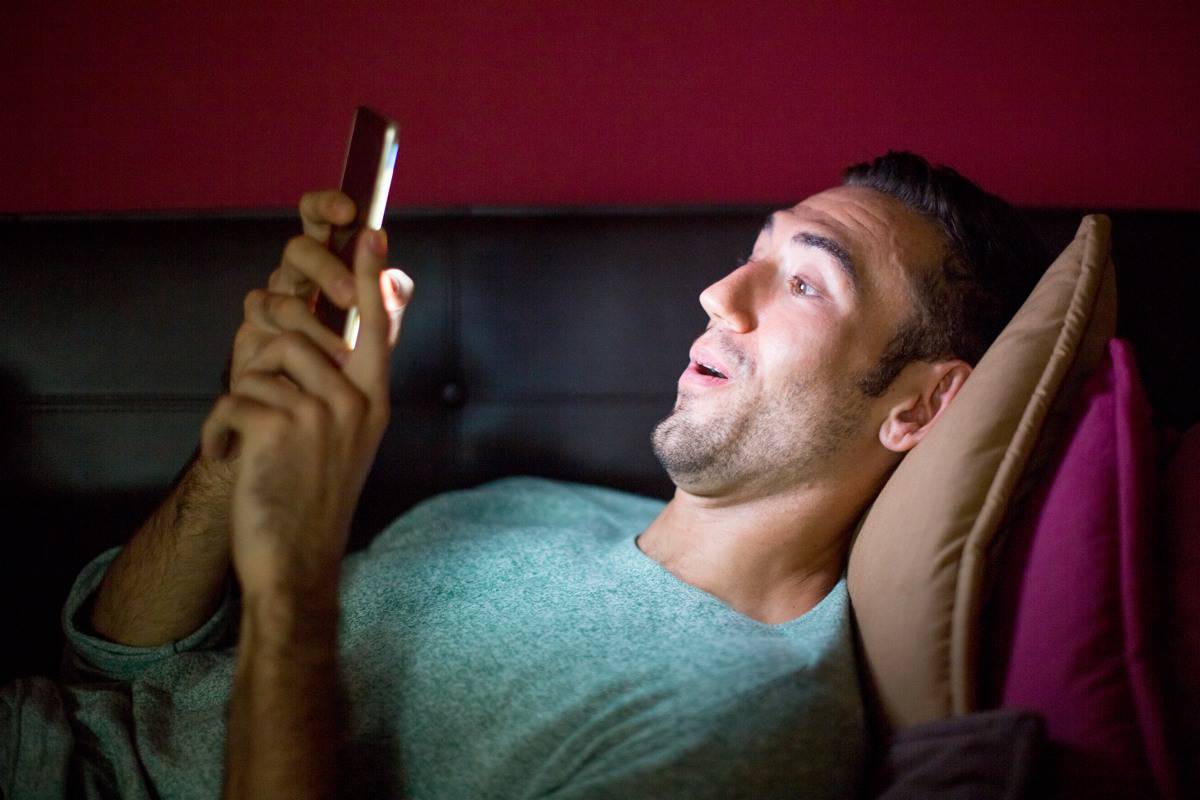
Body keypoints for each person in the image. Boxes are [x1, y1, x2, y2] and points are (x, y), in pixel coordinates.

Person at [0, 151, 1047, 799]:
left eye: (806, 282)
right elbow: (112, 668)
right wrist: (238, 448)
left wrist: (296, 585)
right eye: (754, 253)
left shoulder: (741, 729)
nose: (720, 294)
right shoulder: (526, 506)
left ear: (919, 405)